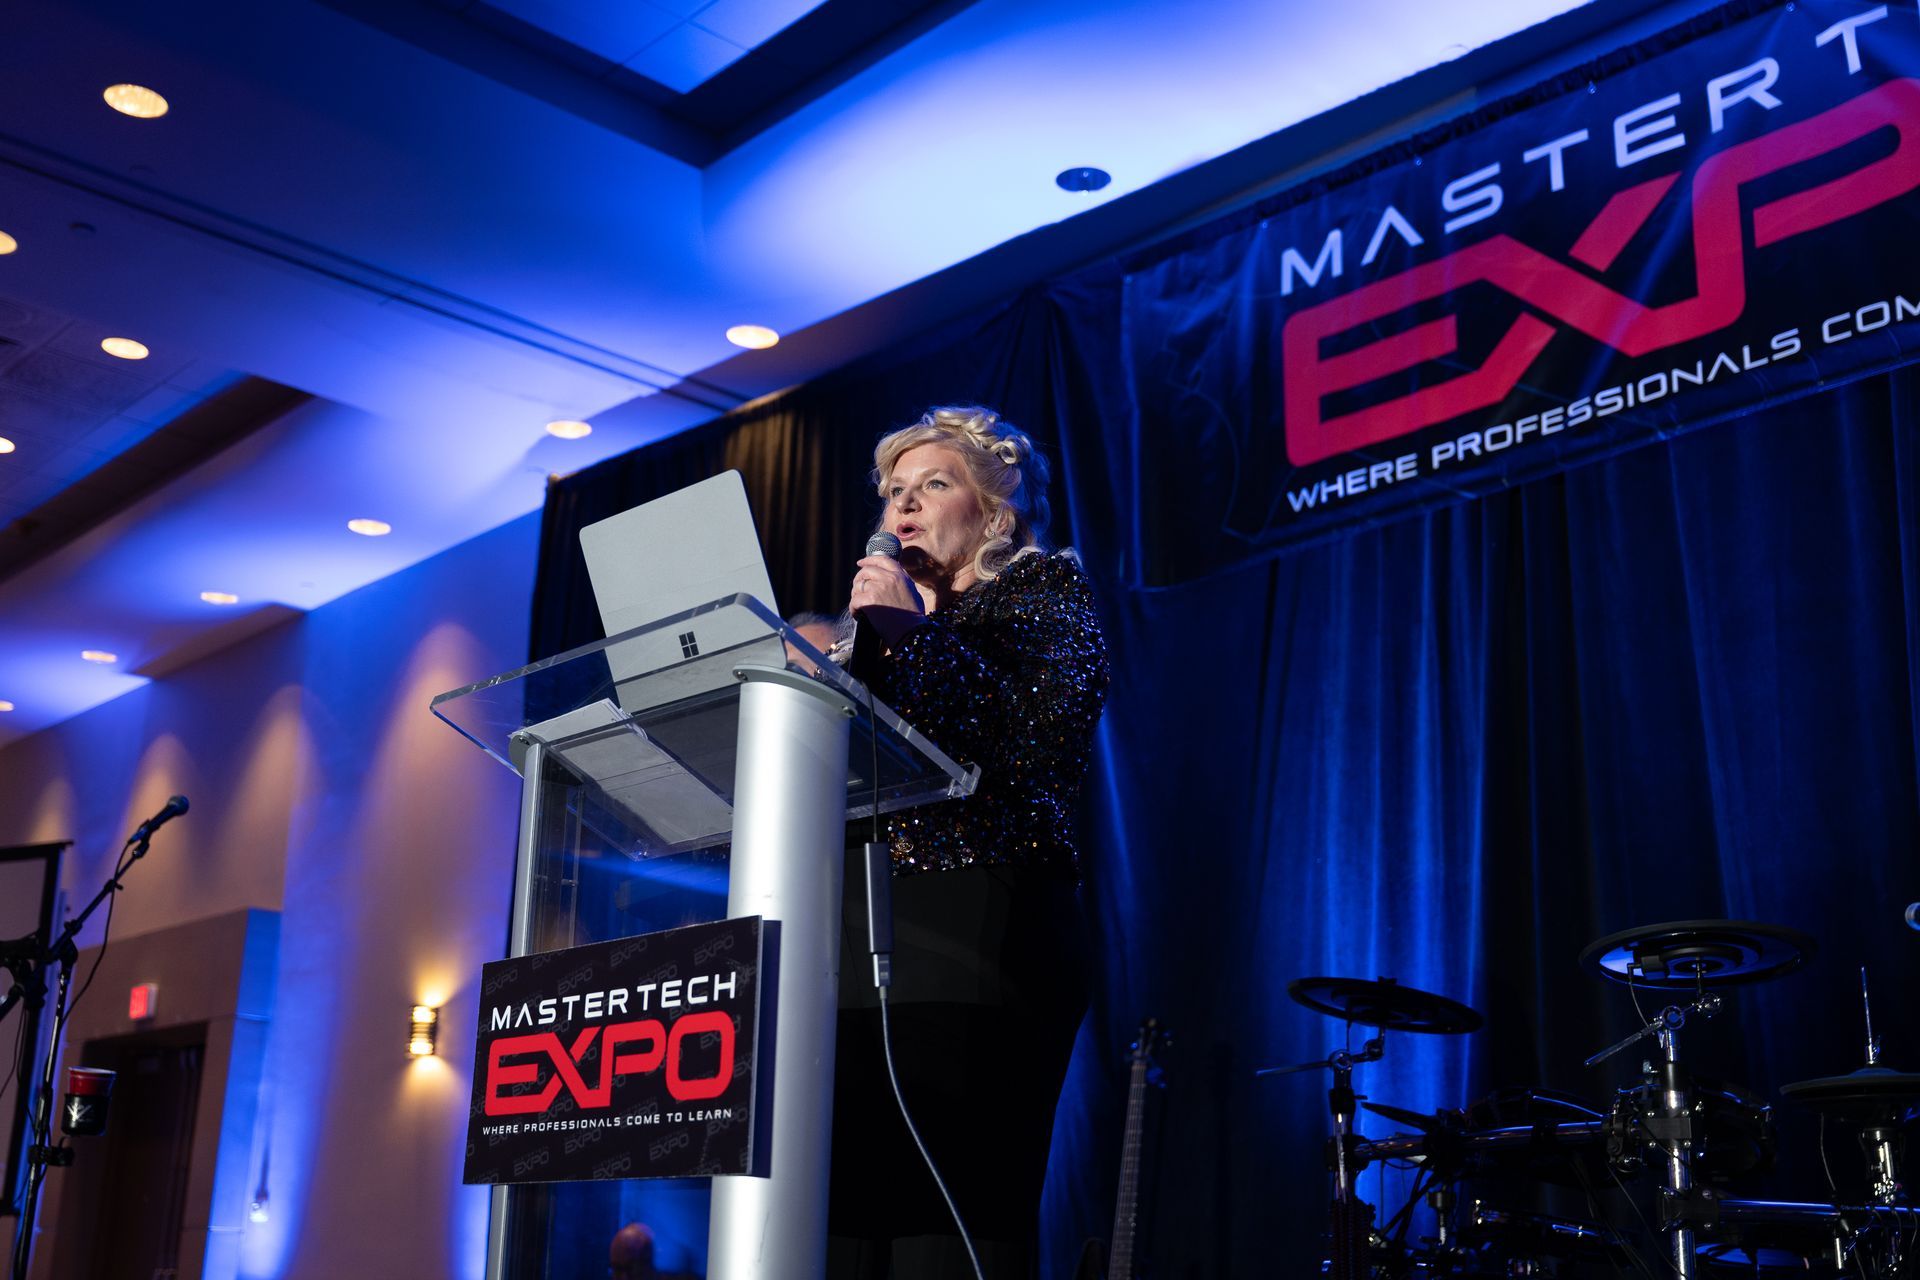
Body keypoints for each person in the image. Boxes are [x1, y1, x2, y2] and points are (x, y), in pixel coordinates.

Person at [829, 405, 1111, 1279]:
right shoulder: (879, 638)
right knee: (844, 1219)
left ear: (995, 513)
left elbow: (1028, 745)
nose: (901, 509)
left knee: (948, 1224)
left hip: (981, 940)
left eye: (933, 485)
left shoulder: (1045, 596)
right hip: (853, 946)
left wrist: (904, 631)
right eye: (894, 492)